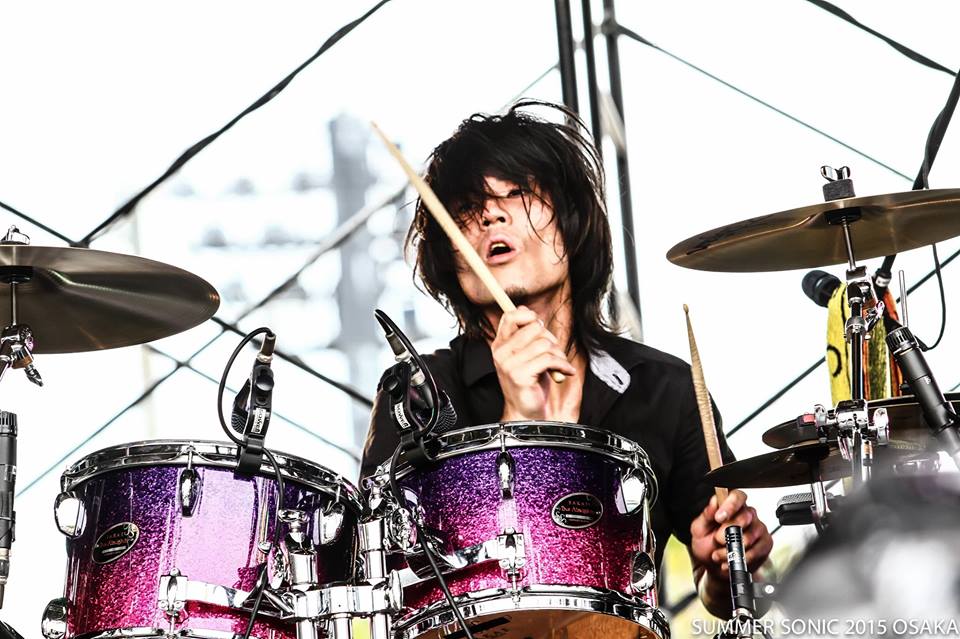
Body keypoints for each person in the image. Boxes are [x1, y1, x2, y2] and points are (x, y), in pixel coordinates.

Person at [360, 100, 772, 619]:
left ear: (572, 223)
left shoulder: (663, 388)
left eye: (518, 193)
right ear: (451, 256)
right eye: (466, 208)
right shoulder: (418, 393)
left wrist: (724, 570)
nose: (490, 215)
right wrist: (521, 425)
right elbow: (382, 585)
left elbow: (731, 600)